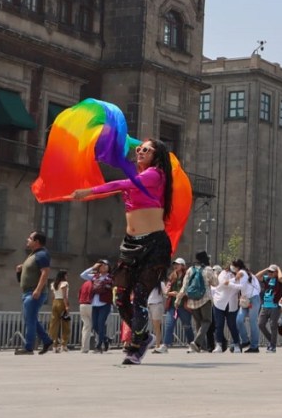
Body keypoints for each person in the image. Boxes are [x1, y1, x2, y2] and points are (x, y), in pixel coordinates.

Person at [70, 138, 175, 365]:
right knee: (120, 296)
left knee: (139, 296)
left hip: (153, 246)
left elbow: (119, 185)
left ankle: (137, 346)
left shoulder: (156, 175)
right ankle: (142, 335)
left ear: (156, 156)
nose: (140, 152)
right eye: (139, 148)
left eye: (146, 150)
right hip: (130, 244)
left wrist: (88, 191)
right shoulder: (137, 176)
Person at [16, 231, 54, 355]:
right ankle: (47, 340)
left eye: (30, 238)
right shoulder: (34, 254)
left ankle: (28, 347)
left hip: (34, 293)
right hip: (28, 292)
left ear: (36, 242)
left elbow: (45, 272)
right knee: (31, 319)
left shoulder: (42, 254)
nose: (27, 239)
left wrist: (38, 289)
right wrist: (21, 269)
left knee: (30, 321)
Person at [177, 254, 216, 352]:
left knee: (198, 322)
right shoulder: (208, 269)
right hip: (205, 299)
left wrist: (178, 299)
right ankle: (197, 342)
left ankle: (201, 347)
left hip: (192, 300)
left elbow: (184, 286)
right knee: (207, 321)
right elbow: (216, 283)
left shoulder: (190, 269)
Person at [158, 257, 193, 352]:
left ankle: (192, 344)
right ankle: (165, 345)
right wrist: (171, 293)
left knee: (187, 326)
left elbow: (190, 290)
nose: (175, 266)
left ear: (183, 266)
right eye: (175, 264)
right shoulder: (172, 276)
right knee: (169, 324)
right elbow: (165, 291)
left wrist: (182, 294)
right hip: (173, 306)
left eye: (178, 264)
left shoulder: (188, 277)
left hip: (184, 306)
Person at [80, 259, 114, 353]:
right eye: (101, 265)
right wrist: (93, 267)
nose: (103, 267)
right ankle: (106, 339)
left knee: (101, 323)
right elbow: (83, 275)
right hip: (95, 304)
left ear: (109, 267)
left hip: (105, 304)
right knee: (95, 325)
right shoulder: (95, 277)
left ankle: (99, 345)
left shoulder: (111, 277)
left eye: (105, 265)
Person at [212, 260, 245, 352]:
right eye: (233, 266)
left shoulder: (241, 275)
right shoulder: (223, 273)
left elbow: (240, 287)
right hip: (220, 302)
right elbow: (223, 283)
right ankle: (218, 345)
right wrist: (234, 280)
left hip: (232, 304)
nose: (234, 268)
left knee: (232, 325)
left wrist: (232, 282)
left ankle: (236, 345)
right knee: (219, 324)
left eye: (236, 266)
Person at [257, 264, 282, 353]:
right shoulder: (267, 278)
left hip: (275, 306)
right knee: (260, 324)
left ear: (276, 273)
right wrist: (267, 268)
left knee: (273, 326)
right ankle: (272, 340)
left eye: (271, 272)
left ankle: (272, 346)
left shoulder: (279, 280)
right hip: (265, 306)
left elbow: (281, 278)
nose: (269, 273)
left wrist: (278, 268)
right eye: (269, 272)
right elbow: (257, 276)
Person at [236, 264, 262, 352]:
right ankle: (245, 340)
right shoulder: (244, 276)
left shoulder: (245, 274)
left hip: (254, 299)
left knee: (252, 321)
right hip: (245, 300)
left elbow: (257, 289)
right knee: (239, 319)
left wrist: (229, 284)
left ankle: (254, 346)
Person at [47, 270, 71, 353]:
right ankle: (64, 344)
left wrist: (53, 304)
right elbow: (64, 296)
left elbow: (52, 296)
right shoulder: (64, 284)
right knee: (65, 323)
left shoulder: (53, 284)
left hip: (55, 302)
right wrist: (67, 306)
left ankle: (54, 345)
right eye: (66, 275)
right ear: (63, 276)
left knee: (54, 324)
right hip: (61, 302)